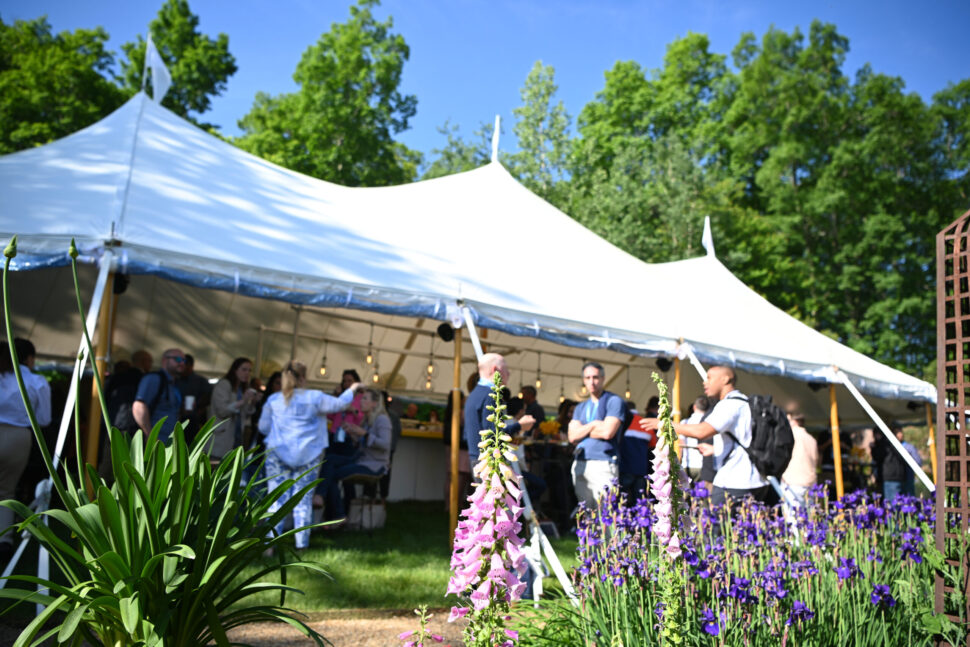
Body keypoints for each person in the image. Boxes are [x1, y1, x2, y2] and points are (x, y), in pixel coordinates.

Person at [257, 361, 360, 550]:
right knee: (302, 500)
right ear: (303, 378)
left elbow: (263, 428)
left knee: (276, 499)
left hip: (277, 454)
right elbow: (341, 404)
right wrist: (353, 388)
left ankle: (269, 547)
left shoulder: (274, 400)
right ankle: (301, 546)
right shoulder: (315, 397)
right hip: (308, 454)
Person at [641, 365, 768, 505]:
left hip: (734, 481)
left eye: (709, 378)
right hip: (754, 479)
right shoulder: (744, 402)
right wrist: (715, 450)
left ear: (725, 379)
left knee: (719, 525)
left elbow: (702, 431)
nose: (704, 382)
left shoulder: (729, 405)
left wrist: (666, 424)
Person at [0, 339, 51, 560]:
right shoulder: (36, 381)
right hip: (18, 437)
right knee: (6, 491)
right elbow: (44, 419)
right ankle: (4, 540)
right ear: (29, 358)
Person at [319, 387, 392, 520]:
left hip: (374, 465)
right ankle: (321, 497)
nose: (361, 402)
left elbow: (385, 445)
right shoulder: (366, 419)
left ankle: (338, 514)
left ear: (375, 403)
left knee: (332, 474)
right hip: (361, 460)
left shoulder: (382, 419)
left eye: (365, 399)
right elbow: (362, 445)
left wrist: (364, 433)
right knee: (329, 459)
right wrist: (353, 433)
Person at [568, 362, 628, 508]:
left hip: (603, 461)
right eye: (587, 378)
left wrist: (583, 430)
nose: (591, 381)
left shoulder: (614, 401)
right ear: (583, 380)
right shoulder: (581, 407)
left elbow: (608, 432)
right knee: (586, 512)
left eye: (595, 377)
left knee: (605, 512)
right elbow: (572, 437)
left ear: (603, 378)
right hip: (581, 460)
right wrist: (594, 424)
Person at [464, 353, 535, 464]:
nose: (508, 373)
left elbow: (468, 435)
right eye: (505, 369)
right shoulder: (490, 395)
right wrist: (520, 425)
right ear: (495, 369)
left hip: (477, 460)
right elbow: (494, 436)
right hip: (489, 462)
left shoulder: (473, 395)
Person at [207, 357, 261, 461]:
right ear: (235, 370)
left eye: (250, 370)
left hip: (235, 439)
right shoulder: (224, 384)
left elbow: (245, 414)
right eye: (244, 369)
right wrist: (243, 400)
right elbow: (222, 411)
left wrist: (253, 402)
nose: (247, 373)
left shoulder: (241, 388)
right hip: (220, 439)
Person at [132, 348, 185, 443]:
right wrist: (150, 435)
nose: (182, 363)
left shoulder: (174, 384)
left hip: (168, 442)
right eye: (178, 359)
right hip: (155, 442)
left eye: (184, 360)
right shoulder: (154, 378)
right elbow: (139, 406)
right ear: (165, 360)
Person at [780, 408, 817, 508]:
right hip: (810, 482)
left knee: (793, 518)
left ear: (794, 421)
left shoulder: (790, 436)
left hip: (793, 482)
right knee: (810, 517)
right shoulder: (811, 439)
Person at [619, 399, 653, 503]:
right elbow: (653, 445)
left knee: (621, 501)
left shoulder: (620, 423)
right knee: (639, 501)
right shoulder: (645, 424)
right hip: (641, 469)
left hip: (624, 468)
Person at [872, 423, 916, 501]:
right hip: (899, 477)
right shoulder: (895, 443)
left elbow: (877, 458)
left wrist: (874, 447)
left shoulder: (884, 444)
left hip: (891, 478)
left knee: (893, 506)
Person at [176, 353, 212, 444]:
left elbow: (209, 396)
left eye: (184, 364)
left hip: (193, 419)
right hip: (176, 417)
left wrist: (200, 406)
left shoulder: (200, 380)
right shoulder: (175, 379)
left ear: (190, 365)